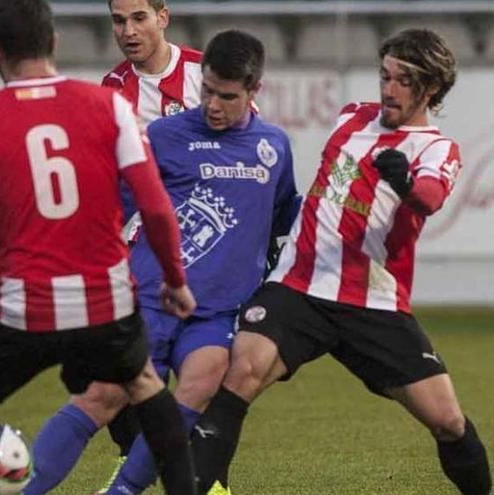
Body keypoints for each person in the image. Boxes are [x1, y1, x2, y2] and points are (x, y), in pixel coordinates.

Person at [0, 1, 199, 494]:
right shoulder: (109, 106)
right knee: (146, 385)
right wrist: (175, 281)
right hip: (105, 303)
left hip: (23, 308)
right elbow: (155, 206)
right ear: (54, 42)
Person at [191, 28, 493, 495]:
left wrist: (404, 184)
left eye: (404, 81)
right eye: (385, 75)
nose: (388, 88)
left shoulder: (435, 150)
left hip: (372, 301)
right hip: (298, 286)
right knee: (240, 375)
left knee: (449, 422)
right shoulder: (352, 117)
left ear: (430, 89)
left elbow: (430, 198)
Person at [21, 29, 300, 495]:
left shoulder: (273, 146)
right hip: (151, 297)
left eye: (227, 97)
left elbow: (285, 211)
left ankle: (121, 493)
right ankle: (24, 489)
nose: (213, 104)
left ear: (255, 90)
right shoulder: (164, 136)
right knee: (104, 395)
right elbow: (109, 205)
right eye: (208, 90)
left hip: (216, 312)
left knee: (202, 383)